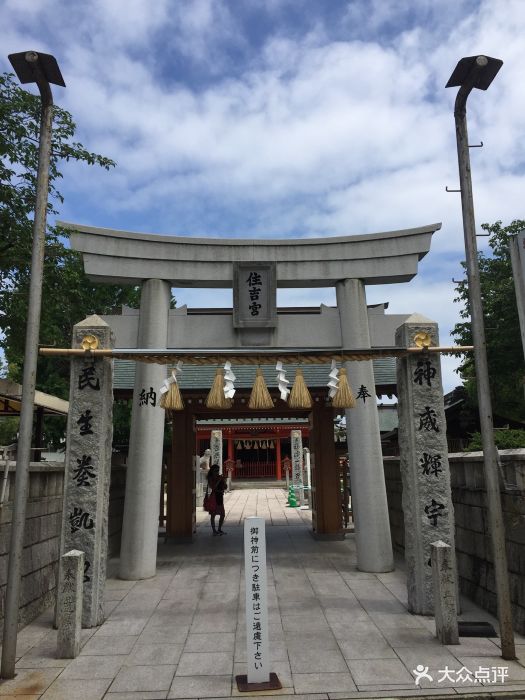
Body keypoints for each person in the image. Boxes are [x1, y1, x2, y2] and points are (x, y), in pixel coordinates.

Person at [206, 464, 227, 536]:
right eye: (216, 471)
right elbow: (213, 487)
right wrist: (219, 480)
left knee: (222, 514)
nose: (217, 472)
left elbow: (225, 487)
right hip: (214, 497)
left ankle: (219, 529)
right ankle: (214, 530)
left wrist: (224, 480)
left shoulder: (219, 477)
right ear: (212, 471)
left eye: (218, 470)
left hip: (220, 496)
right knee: (213, 514)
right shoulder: (210, 478)